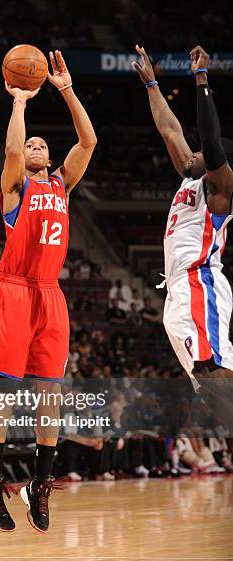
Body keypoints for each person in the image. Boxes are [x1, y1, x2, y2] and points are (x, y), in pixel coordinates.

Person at [0, 50, 96, 533]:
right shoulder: (14, 190)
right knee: (4, 392)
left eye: (43, 144)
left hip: (50, 294)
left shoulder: (63, 185)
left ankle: (39, 486)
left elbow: (88, 140)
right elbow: (9, 152)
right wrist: (20, 101)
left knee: (51, 395)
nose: (37, 146)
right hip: (14, 290)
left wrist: (65, 89)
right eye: (32, 145)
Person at [132, 45, 233, 398]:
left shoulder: (221, 187)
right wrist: (152, 86)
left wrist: (201, 78)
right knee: (206, 388)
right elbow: (169, 130)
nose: (193, 153)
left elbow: (209, 136)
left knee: (216, 372)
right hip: (177, 290)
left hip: (199, 280)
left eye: (201, 152)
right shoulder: (190, 179)